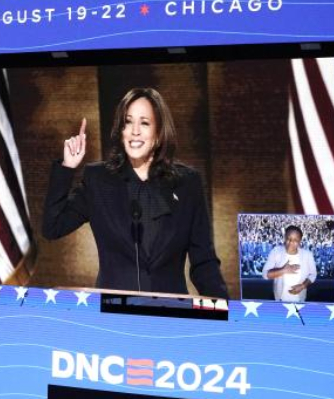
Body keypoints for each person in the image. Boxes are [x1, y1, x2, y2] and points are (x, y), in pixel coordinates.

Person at [43, 88, 229, 299]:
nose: (135, 131)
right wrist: (67, 167)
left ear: (159, 134)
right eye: (128, 122)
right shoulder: (98, 179)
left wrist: (225, 312)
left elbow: (204, 261)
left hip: (169, 317)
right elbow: (53, 227)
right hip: (114, 316)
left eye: (145, 123)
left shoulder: (187, 184)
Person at [261, 225, 316, 302]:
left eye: (295, 240)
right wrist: (283, 270)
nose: (291, 242)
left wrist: (303, 285)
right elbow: (265, 274)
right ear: (284, 237)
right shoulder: (276, 251)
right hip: (279, 300)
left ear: (300, 241)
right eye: (288, 239)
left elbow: (313, 274)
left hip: (300, 300)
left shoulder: (307, 255)